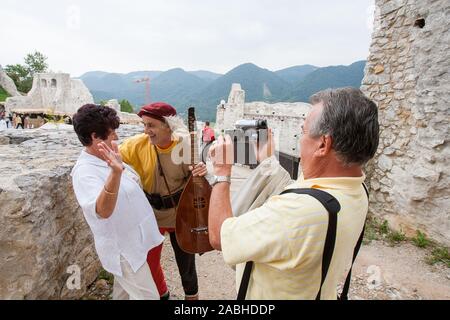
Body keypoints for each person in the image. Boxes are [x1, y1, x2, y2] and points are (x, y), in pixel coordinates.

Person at [208, 87, 380, 299]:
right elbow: (302, 188)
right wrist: (268, 161)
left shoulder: (297, 212)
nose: (300, 139)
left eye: (304, 131)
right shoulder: (354, 189)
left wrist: (221, 172)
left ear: (323, 144)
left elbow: (219, 237)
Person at [71, 104, 164, 300]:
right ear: (95, 136)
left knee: (123, 295)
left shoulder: (107, 157)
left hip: (134, 242)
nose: (117, 137)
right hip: (123, 250)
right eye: (112, 132)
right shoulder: (84, 172)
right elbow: (102, 211)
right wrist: (115, 173)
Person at [119, 102, 208, 300]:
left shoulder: (186, 145)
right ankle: (162, 295)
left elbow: (198, 183)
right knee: (150, 262)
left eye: (151, 125)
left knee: (186, 264)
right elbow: (111, 159)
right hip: (150, 213)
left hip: (179, 214)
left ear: (168, 125)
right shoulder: (136, 145)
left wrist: (201, 172)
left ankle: (192, 300)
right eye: (144, 125)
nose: (146, 131)